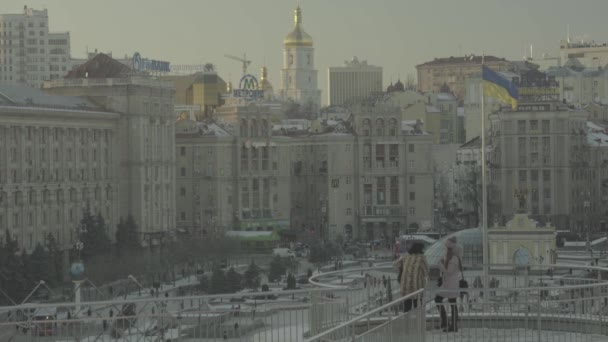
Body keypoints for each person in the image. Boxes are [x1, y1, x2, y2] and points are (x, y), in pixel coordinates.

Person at [435, 236, 462, 332]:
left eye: (447, 248)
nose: (445, 250)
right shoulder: (450, 257)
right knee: (451, 303)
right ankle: (448, 323)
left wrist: (440, 266)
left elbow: (449, 272)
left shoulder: (454, 258)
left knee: (448, 302)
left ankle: (450, 324)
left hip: (451, 284)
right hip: (449, 284)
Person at [393, 240, 428, 312]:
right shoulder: (421, 258)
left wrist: (403, 270)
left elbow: (395, 264)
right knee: (417, 306)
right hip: (417, 285)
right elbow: (426, 271)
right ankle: (418, 322)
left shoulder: (406, 256)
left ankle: (406, 322)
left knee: (407, 306)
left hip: (405, 285)